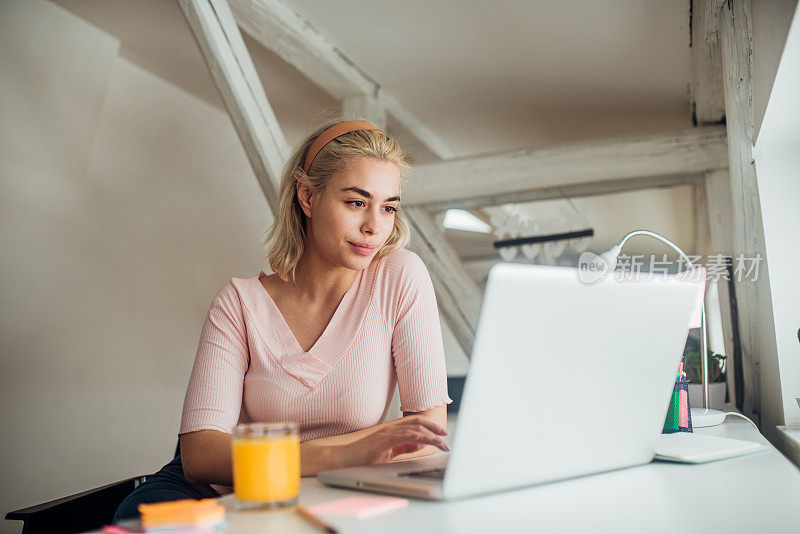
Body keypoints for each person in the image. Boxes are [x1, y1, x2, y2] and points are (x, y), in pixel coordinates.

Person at [114, 120, 452, 521]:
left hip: (323, 492)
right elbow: (201, 456)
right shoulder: (239, 303)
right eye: (356, 202)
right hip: (215, 493)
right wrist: (350, 451)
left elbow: (427, 433)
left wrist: (331, 457)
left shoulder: (399, 277)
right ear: (307, 196)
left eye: (389, 207)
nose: (374, 227)